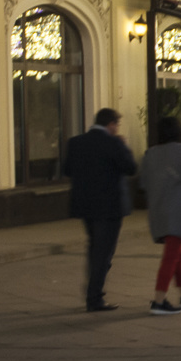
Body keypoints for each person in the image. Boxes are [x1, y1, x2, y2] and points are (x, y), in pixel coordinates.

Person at [63, 108, 139, 312]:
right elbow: (131, 168)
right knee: (103, 252)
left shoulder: (76, 142)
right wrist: (124, 147)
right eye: (117, 125)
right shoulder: (114, 143)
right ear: (111, 124)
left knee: (94, 247)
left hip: (85, 205)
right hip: (110, 207)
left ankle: (93, 288)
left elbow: (67, 170)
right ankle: (94, 296)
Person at [139, 117, 181, 315]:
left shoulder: (150, 153)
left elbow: (143, 182)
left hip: (157, 208)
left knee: (178, 251)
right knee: (171, 255)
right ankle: (159, 300)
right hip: (179, 209)